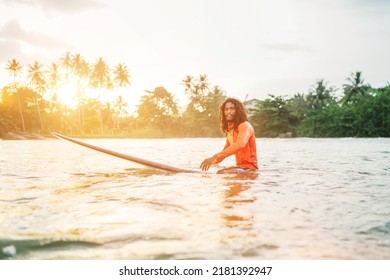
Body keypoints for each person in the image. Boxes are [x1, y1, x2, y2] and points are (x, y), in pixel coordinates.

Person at [200, 98, 258, 174]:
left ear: (238, 110)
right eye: (226, 109)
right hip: (240, 167)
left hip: (250, 169)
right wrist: (210, 162)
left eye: (232, 109)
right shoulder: (231, 130)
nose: (228, 112)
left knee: (222, 172)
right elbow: (225, 151)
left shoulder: (245, 125)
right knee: (218, 172)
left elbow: (240, 144)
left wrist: (215, 157)